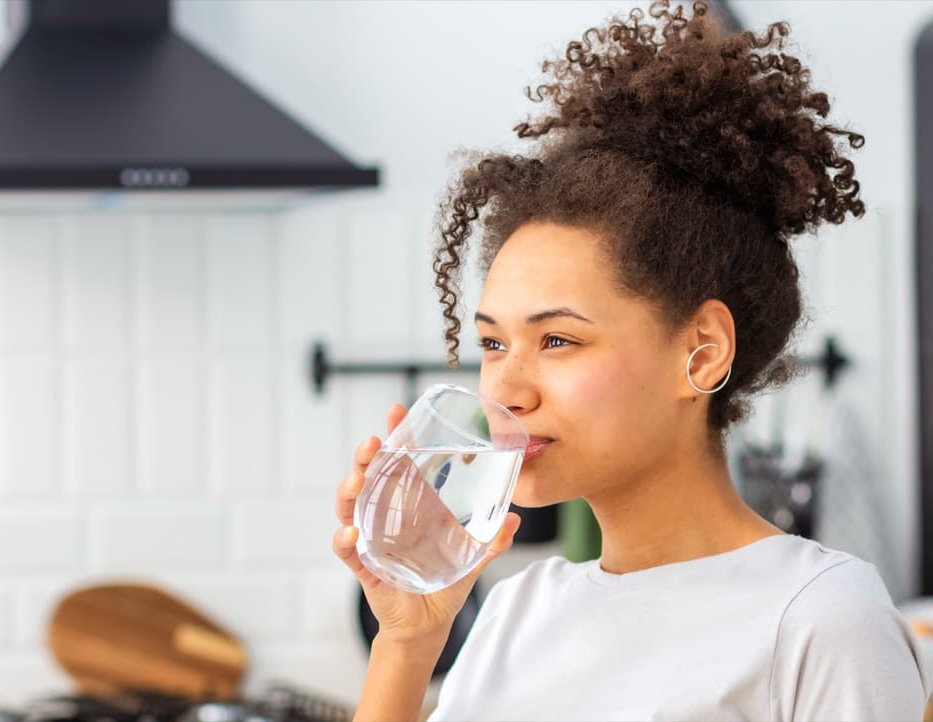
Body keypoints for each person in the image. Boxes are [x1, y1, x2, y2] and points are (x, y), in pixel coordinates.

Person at [330, 1, 933, 720]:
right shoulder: (513, 615)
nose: (507, 391)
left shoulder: (822, 617)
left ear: (701, 352)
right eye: (493, 344)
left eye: (557, 340)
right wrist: (406, 642)